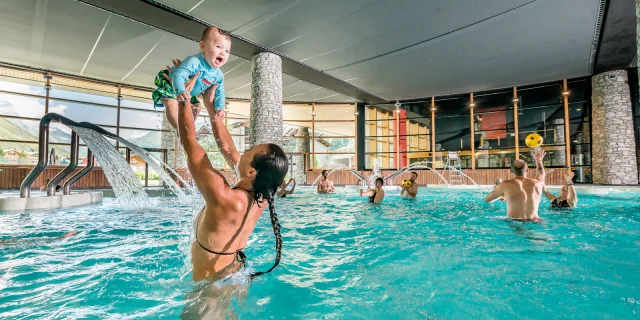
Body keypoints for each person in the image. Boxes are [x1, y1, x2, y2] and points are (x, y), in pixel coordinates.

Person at [176, 80, 288, 283]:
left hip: (213, 291)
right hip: (237, 275)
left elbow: (189, 143)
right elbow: (227, 148)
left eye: (248, 151)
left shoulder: (226, 197)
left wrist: (183, 98)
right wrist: (210, 106)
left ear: (252, 172)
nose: (241, 152)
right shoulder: (262, 196)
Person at [152, 26, 230, 132]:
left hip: (189, 91)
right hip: (172, 83)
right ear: (202, 46)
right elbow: (179, 74)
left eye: (227, 51)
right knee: (171, 103)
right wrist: (180, 90)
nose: (223, 53)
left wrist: (219, 107)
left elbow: (220, 93)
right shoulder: (194, 61)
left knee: (197, 107)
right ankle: (180, 130)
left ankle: (189, 129)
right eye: (218, 47)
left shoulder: (219, 76)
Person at [484, 148, 547, 221]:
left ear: (511, 171)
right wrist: (539, 160)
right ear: (527, 170)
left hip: (515, 221)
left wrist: (501, 195)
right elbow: (541, 172)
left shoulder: (505, 184)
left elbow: (487, 199)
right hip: (535, 220)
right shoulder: (538, 183)